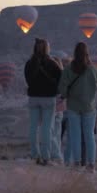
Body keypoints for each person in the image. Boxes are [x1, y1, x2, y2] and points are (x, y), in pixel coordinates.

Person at [58, 42, 97, 173]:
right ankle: (91, 164)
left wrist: (68, 95)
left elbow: (62, 88)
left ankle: (76, 162)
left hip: (73, 106)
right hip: (89, 107)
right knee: (89, 136)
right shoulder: (93, 69)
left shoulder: (68, 69)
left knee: (75, 135)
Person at [24, 38, 62, 166]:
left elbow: (27, 80)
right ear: (47, 48)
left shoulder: (29, 63)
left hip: (33, 97)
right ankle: (46, 156)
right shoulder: (52, 63)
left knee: (33, 127)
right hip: (48, 98)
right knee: (47, 127)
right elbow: (60, 78)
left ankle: (35, 155)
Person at [49, 57, 65, 165]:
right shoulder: (63, 76)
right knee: (57, 133)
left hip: (52, 106)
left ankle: (57, 156)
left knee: (50, 132)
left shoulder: (52, 76)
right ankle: (58, 156)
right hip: (61, 107)